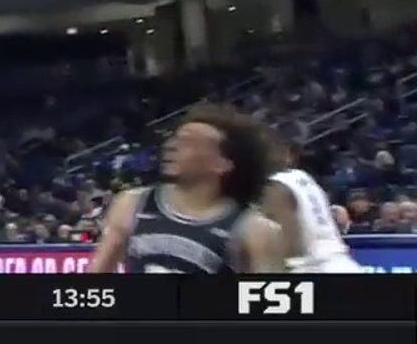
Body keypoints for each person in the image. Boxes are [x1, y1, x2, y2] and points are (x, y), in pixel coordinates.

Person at [88, 104, 284, 273]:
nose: (172, 146)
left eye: (189, 141)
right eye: (175, 139)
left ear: (222, 164)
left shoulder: (254, 230)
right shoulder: (132, 204)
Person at [262, 138, 361, 273]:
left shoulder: (275, 185)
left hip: (312, 268)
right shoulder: (304, 178)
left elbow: (292, 246)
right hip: (342, 263)